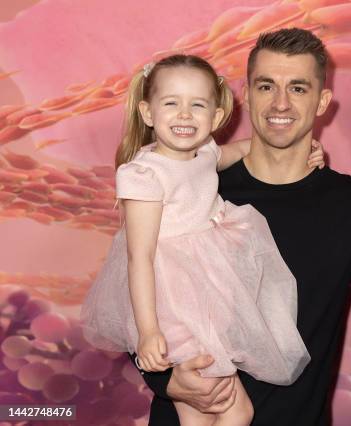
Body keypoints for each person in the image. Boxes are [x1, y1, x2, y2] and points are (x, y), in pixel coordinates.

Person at [137, 29, 351, 426]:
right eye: (267, 86)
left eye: (298, 88)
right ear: (247, 94)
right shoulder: (193, 187)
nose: (280, 102)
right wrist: (166, 379)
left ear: (322, 102)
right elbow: (134, 292)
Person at [81, 54, 324, 425]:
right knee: (233, 409)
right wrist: (148, 332)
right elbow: (140, 257)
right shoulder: (144, 175)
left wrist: (307, 150)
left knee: (202, 412)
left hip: (211, 298)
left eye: (197, 105)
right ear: (147, 113)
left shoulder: (204, 153)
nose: (184, 114)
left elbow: (241, 150)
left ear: (215, 116)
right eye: (171, 103)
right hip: (175, 303)